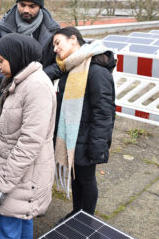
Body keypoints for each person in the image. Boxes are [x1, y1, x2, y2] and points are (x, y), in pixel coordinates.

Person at [0, 33, 56, 239]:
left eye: (0, 60)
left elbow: (30, 141)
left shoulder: (36, 87)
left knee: (3, 229)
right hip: (18, 177)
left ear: (16, 56)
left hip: (20, 180)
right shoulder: (19, 81)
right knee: (20, 226)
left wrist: (3, 184)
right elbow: (5, 133)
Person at [52, 27, 116, 218]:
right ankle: (76, 213)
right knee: (76, 178)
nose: (55, 49)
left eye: (57, 43)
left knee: (86, 180)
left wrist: (97, 146)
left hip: (87, 139)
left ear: (73, 39)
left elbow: (104, 113)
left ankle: (86, 220)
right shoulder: (71, 68)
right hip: (75, 138)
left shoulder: (96, 71)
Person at [0, 0, 61, 88]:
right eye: (22, 5)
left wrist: (38, 77)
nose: (26, 10)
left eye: (32, 6)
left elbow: (60, 63)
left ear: (40, 6)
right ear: (17, 2)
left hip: (39, 90)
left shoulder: (53, 30)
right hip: (6, 91)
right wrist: (12, 78)